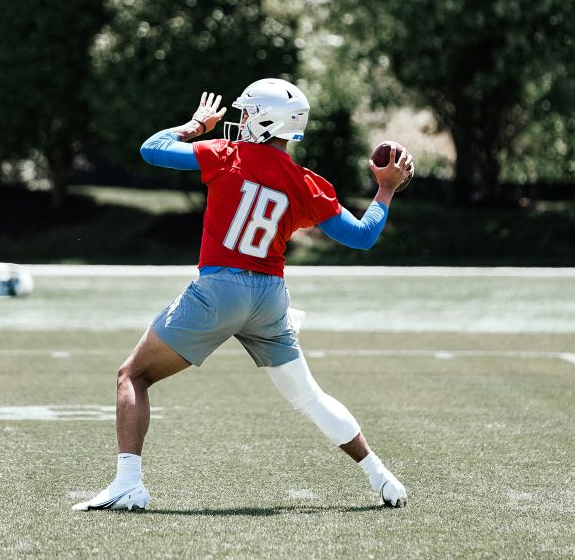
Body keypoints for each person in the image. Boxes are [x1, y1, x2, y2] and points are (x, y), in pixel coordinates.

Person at [72, 78, 414, 512]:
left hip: (220, 289)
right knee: (310, 397)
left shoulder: (225, 154)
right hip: (271, 297)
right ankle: (382, 478)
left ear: (266, 120)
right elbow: (363, 237)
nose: (241, 120)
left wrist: (195, 126)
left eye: (248, 113)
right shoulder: (308, 182)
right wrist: (385, 189)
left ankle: (127, 484)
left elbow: (151, 149)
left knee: (132, 376)